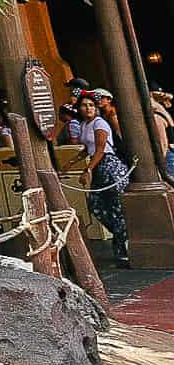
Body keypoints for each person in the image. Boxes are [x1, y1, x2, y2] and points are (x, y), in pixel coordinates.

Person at [76, 93, 131, 268]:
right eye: (84, 105)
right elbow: (88, 148)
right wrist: (69, 164)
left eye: (91, 105)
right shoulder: (84, 125)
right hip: (98, 166)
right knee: (96, 205)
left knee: (115, 207)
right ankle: (119, 235)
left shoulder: (100, 123)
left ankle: (123, 250)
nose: (88, 108)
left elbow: (100, 149)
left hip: (110, 165)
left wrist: (87, 169)